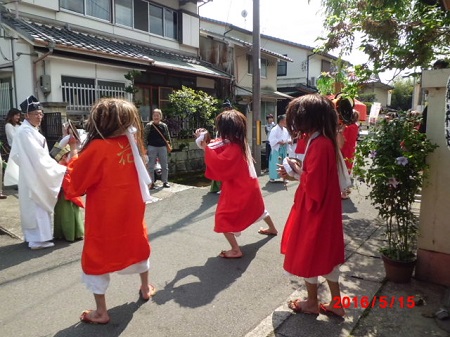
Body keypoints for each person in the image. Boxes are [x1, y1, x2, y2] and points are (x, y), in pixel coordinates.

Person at [64, 98, 155, 324]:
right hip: (132, 209)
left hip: (105, 215)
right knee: (137, 243)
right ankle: (145, 287)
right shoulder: (133, 142)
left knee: (98, 257)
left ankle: (101, 311)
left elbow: (76, 180)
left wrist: (73, 151)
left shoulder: (98, 147)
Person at [279, 94, 345, 317]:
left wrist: (295, 172)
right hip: (325, 208)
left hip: (314, 209)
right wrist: (299, 172)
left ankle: (311, 301)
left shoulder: (319, 144)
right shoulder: (325, 140)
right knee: (326, 256)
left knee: (308, 253)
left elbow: (314, 186)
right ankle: (336, 302)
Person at [195, 109, 278, 258]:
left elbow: (218, 160)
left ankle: (235, 249)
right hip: (249, 184)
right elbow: (216, 144)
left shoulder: (232, 146)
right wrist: (206, 141)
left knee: (223, 217)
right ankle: (272, 228)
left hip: (238, 188)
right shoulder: (239, 142)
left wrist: (205, 146)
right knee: (259, 208)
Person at [4, 95, 67, 249]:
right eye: (36, 114)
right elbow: (37, 157)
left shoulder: (29, 129)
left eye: (41, 114)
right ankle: (37, 240)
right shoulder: (25, 132)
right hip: (34, 173)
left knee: (35, 205)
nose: (40, 117)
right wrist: (58, 169)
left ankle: (36, 237)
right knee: (36, 204)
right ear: (27, 116)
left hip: (33, 172)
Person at [50, 141, 85, 242]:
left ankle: (61, 234)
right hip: (66, 195)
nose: (66, 157)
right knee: (69, 215)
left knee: (62, 215)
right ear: (61, 158)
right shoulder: (63, 168)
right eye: (65, 156)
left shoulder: (57, 167)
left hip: (61, 195)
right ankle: (73, 234)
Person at [144, 108, 172, 189]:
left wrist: (169, 146)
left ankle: (165, 181)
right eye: (154, 115)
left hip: (162, 147)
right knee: (151, 166)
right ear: (152, 116)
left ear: (160, 116)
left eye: (157, 115)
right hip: (151, 147)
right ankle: (151, 182)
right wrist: (145, 148)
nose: (156, 117)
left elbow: (167, 136)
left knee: (164, 165)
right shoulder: (149, 126)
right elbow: (144, 137)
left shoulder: (164, 126)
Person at [340, 110, 359, 199]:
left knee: (342, 170)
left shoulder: (348, 127)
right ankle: (345, 190)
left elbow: (342, 139)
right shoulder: (355, 126)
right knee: (347, 169)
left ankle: (344, 192)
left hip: (344, 150)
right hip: (350, 149)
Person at [268, 114, 291, 182]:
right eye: (285, 120)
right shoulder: (274, 129)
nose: (286, 122)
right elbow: (271, 139)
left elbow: (288, 137)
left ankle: (284, 177)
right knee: (275, 162)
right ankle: (272, 177)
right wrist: (279, 142)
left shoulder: (285, 130)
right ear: (281, 121)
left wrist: (288, 141)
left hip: (283, 148)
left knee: (284, 162)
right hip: (276, 148)